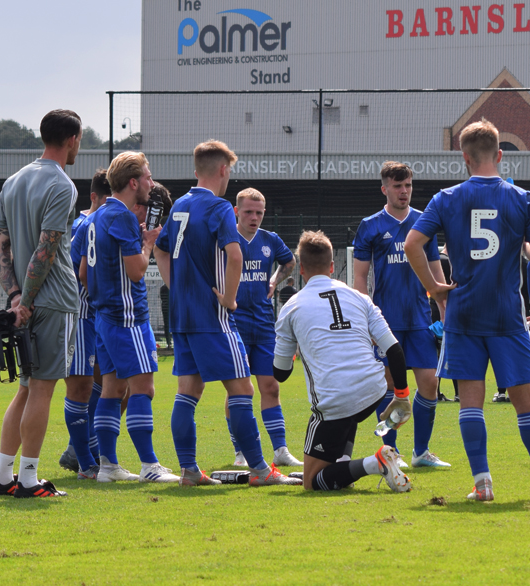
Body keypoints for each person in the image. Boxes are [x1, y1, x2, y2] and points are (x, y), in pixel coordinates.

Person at [405, 118, 530, 501]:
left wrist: (434, 288)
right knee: (525, 402)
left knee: (471, 402)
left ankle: (482, 485)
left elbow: (414, 244)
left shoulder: (445, 199)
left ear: (464, 157)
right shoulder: (522, 197)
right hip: (507, 314)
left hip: (463, 313)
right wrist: (523, 247)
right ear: (499, 154)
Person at [154, 141, 300, 487]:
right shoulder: (219, 208)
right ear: (223, 170)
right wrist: (230, 299)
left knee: (187, 391)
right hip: (212, 317)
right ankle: (262, 471)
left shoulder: (179, 207)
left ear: (196, 170)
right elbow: (235, 257)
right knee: (242, 390)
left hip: (183, 316)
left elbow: (159, 250)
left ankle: (189, 471)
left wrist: (176, 286)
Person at [0, 110, 84, 498]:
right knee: (42, 389)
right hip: (55, 300)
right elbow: (45, 250)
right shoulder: (63, 185)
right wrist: (26, 300)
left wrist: (15, 298)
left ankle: (3, 476)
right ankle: (28, 479)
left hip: (24, 301)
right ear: (73, 139)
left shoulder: (13, 181)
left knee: (26, 389)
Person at [273, 230, 412, 493]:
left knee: (312, 481)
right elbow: (393, 348)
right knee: (347, 417)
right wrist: (402, 396)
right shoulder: (360, 298)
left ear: (302, 268)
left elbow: (280, 373)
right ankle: (342, 464)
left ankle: (376, 462)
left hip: (335, 401)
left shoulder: (291, 306)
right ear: (333, 266)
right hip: (373, 390)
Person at [85, 150, 181, 484]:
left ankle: (108, 466)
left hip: (103, 316)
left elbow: (86, 271)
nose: (151, 184)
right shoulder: (124, 216)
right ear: (133, 182)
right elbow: (137, 271)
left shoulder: (97, 215)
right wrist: (148, 243)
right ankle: (149, 466)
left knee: (112, 389)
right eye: (148, 176)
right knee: (144, 388)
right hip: (126, 318)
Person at [351, 161, 451, 469]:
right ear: (385, 189)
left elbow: (436, 271)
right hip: (386, 323)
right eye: (397, 186)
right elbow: (359, 280)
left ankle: (421, 452)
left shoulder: (424, 222)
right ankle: (389, 451)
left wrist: (445, 310)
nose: (404, 191)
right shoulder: (370, 225)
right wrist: (364, 321)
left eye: (407, 185)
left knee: (430, 386)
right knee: (392, 388)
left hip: (420, 320)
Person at [228, 187, 301, 469]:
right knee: (239, 389)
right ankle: (241, 451)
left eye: (259, 213)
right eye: (248, 212)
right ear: (237, 211)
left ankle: (280, 449)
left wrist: (275, 280)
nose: (254, 217)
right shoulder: (225, 238)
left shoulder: (270, 240)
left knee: (270, 386)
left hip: (263, 323)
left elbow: (289, 261)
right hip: (233, 322)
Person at [60, 168, 111, 475]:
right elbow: (83, 274)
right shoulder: (83, 225)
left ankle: (82, 447)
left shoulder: (105, 222)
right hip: (80, 315)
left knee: (115, 387)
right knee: (82, 386)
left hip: (99, 316)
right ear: (94, 198)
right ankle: (84, 457)